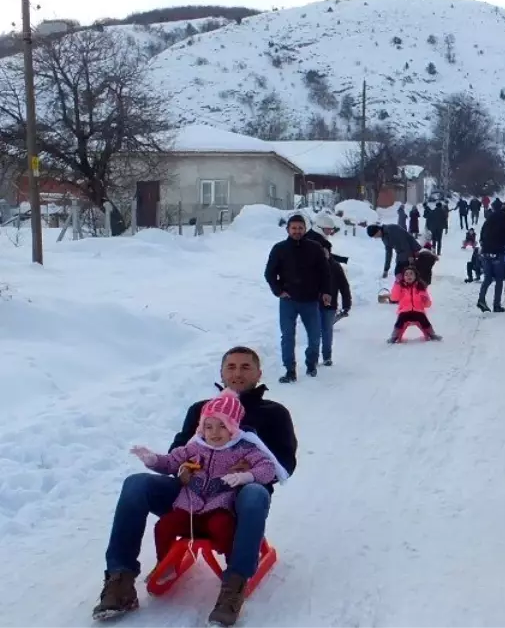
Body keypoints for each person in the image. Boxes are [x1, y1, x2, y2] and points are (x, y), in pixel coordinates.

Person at [92, 346, 298, 625]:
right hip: (191, 490)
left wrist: (251, 471)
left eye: (245, 367)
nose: (238, 373)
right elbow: (180, 449)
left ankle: (233, 586)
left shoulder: (273, 413)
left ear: (259, 373)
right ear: (222, 372)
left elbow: (285, 462)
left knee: (254, 494)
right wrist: (183, 468)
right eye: (232, 367)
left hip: (239, 497)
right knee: (136, 484)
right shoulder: (201, 409)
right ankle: (120, 579)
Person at [134, 389, 283, 567]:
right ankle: (166, 564)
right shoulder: (195, 447)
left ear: (233, 428)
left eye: (222, 426)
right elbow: (171, 462)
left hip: (220, 509)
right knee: (164, 526)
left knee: (223, 528)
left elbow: (268, 468)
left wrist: (247, 476)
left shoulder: (244, 449)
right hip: (188, 509)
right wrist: (153, 460)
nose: (215, 432)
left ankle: (235, 568)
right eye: (209, 426)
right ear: (202, 428)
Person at [265, 214, 332, 382]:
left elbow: (325, 272)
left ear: (305, 229)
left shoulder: (315, 248)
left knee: (315, 336)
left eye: (300, 228)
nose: (297, 231)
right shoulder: (279, 249)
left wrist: (326, 292)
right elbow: (270, 273)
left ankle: (311, 364)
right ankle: (290, 370)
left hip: (310, 300)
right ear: (288, 229)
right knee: (287, 336)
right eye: (293, 228)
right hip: (288, 300)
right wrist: (278, 291)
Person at [318, 239, 352, 366]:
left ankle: (327, 356)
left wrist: (346, 303)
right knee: (315, 332)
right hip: (312, 304)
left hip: (329, 305)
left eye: (324, 251)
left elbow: (344, 286)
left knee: (327, 330)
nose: (322, 253)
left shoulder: (335, 266)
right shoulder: (311, 266)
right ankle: (313, 357)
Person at [476, 201, 505, 313]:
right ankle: (496, 305)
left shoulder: (489, 219)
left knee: (487, 278)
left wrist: (484, 244)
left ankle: (481, 299)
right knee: (499, 279)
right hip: (498, 252)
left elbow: (482, 234)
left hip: (486, 252)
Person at [388, 267, 442, 342]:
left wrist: (425, 300)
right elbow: (394, 298)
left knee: (424, 320)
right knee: (399, 321)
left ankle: (432, 334)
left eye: (411, 274)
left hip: (418, 310)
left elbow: (428, 304)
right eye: (406, 274)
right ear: (403, 277)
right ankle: (394, 336)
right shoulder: (401, 287)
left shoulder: (420, 287)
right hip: (405, 311)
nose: (409, 276)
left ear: (415, 276)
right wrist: (396, 284)